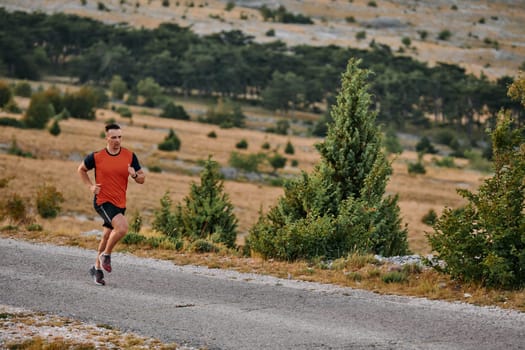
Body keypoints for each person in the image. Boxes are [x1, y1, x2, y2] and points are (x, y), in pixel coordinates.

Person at [78, 123, 145, 285]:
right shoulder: (97, 156)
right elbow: (81, 169)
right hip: (103, 201)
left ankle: (96, 269)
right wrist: (91, 186)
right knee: (122, 228)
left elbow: (142, 179)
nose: (117, 140)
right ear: (106, 138)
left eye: (120, 137)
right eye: (114, 137)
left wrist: (134, 174)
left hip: (120, 202)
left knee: (107, 235)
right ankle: (106, 255)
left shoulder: (129, 156)